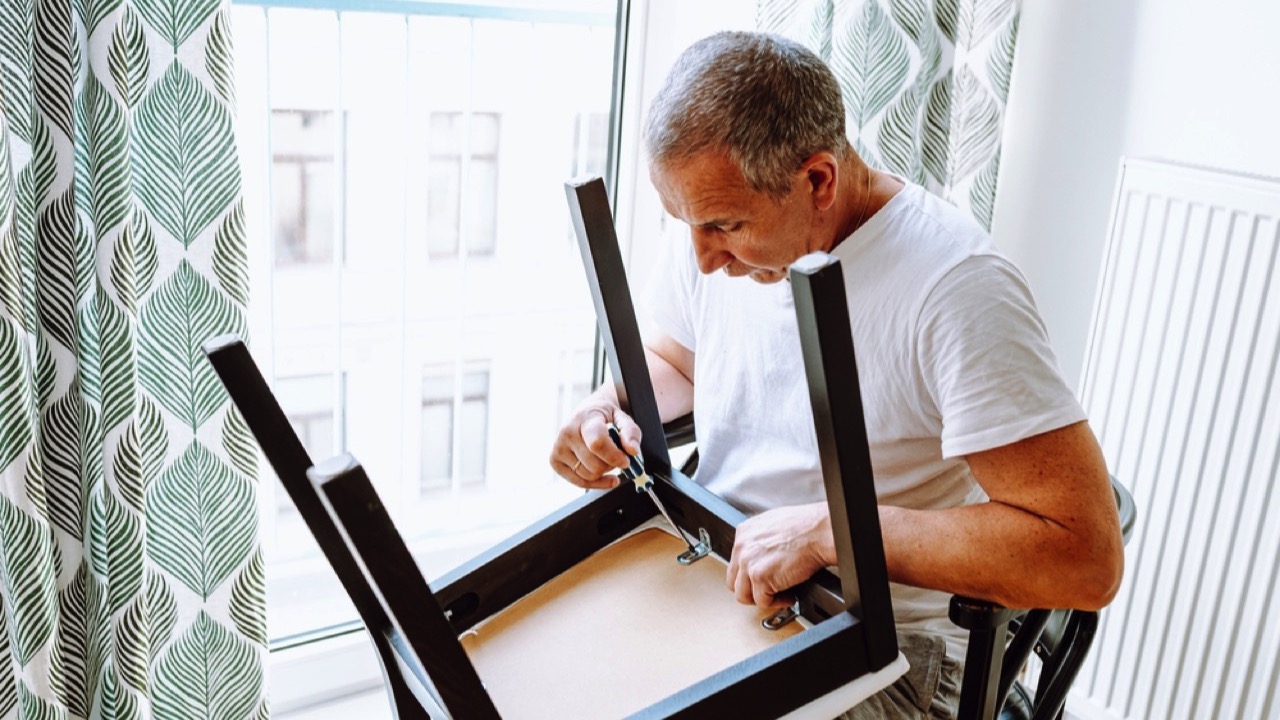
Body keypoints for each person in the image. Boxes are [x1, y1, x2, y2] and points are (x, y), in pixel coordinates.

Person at [549, 31, 1124, 719]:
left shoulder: (957, 289)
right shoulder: (715, 233)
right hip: (723, 573)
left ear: (818, 179)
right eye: (686, 224)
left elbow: (1083, 555)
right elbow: (679, 364)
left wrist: (828, 532)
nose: (702, 258)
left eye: (724, 226)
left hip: (892, 646)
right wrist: (606, 409)